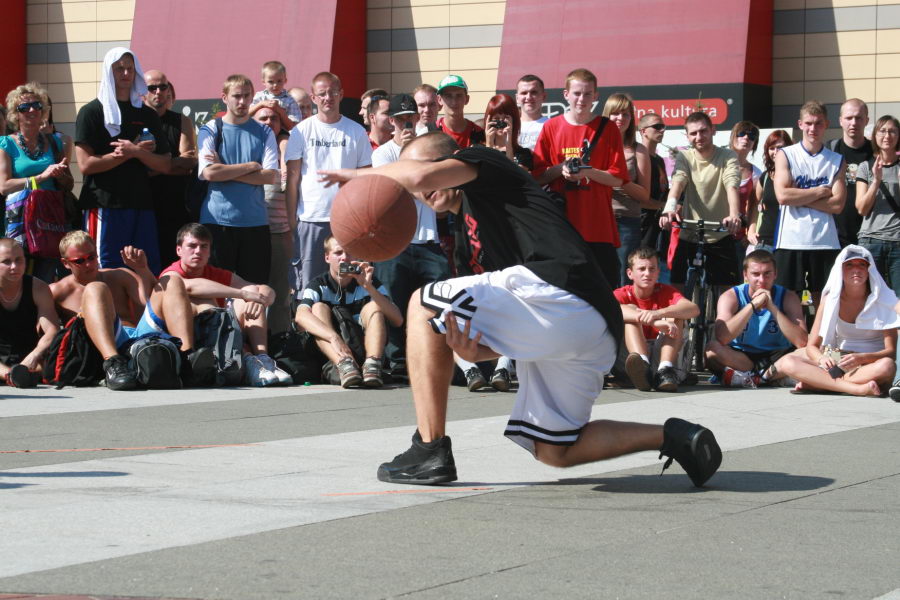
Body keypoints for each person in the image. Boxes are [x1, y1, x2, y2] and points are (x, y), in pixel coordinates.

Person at [320, 132, 722, 488]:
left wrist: (362, 177)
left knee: (423, 302)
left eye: (418, 168)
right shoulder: (466, 238)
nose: (418, 188)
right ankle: (674, 437)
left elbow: (422, 177)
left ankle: (429, 448)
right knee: (555, 448)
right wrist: (481, 351)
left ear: (449, 160)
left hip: (563, 291)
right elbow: (515, 316)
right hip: (589, 330)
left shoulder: (486, 163)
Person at [50, 230, 203, 390]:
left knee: (171, 280)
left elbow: (149, 300)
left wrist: (142, 269)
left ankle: (187, 359)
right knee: (95, 288)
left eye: (91, 257)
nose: (88, 264)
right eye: (80, 261)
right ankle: (113, 363)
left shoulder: (119, 275)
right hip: (106, 346)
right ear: (65, 263)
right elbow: (49, 332)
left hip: (139, 336)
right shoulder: (57, 292)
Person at [75, 47, 172, 274]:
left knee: (146, 271)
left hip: (141, 203)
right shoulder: (91, 112)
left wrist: (137, 152)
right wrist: (126, 153)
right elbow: (85, 165)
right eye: (119, 68)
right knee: (105, 270)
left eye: (130, 68)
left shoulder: (147, 114)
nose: (126, 74)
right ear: (108, 71)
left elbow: (166, 164)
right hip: (104, 205)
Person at [159, 223, 291, 386]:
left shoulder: (215, 273)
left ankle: (263, 359)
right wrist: (243, 294)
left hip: (221, 337)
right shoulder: (170, 274)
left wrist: (261, 300)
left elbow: (261, 288)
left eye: (204, 246)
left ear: (209, 252)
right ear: (179, 250)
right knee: (231, 296)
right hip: (190, 342)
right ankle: (247, 359)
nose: (198, 251)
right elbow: (191, 287)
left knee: (251, 294)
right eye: (192, 246)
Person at [533, 68, 630, 289]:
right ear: (566, 94)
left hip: (598, 225)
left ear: (596, 96)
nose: (582, 99)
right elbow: (538, 177)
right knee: (563, 292)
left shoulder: (608, 128)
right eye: (577, 93)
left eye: (587, 94)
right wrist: (561, 169)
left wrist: (586, 172)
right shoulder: (551, 127)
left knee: (606, 291)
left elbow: (618, 179)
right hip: (562, 226)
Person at [284, 71, 372, 294]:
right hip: (311, 219)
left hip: (348, 220)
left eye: (332, 93)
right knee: (310, 286)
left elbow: (366, 178)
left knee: (349, 283)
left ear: (341, 94)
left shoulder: (357, 131)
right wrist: (292, 219)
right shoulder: (300, 131)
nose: (327, 98)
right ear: (313, 97)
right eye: (322, 94)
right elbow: (293, 177)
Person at [775, 245, 898, 397]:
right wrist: (821, 359)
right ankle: (857, 389)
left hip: (869, 363)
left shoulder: (883, 299)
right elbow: (812, 346)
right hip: (838, 360)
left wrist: (862, 358)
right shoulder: (830, 300)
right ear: (840, 270)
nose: (856, 270)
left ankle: (822, 384)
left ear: (869, 270)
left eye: (862, 265)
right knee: (788, 362)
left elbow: (891, 352)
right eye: (849, 265)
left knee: (887, 366)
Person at [197, 74, 279, 285]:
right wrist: (251, 166)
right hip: (217, 221)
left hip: (255, 222)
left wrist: (224, 169)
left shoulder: (264, 131)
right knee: (217, 291)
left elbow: (270, 176)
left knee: (255, 292)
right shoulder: (211, 129)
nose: (242, 102)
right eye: (236, 96)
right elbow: (209, 174)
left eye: (246, 96)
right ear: (224, 97)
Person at [295, 236, 402, 388]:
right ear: (327, 257)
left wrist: (368, 287)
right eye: (338, 253)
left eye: (350, 253)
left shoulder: (369, 282)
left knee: (374, 306)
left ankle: (372, 364)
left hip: (364, 351)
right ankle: (344, 364)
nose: (345, 258)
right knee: (318, 308)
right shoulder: (318, 284)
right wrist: (333, 337)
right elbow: (300, 316)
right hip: (333, 357)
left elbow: (398, 319)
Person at [773, 101, 846, 305]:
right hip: (790, 240)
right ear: (800, 124)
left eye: (818, 123)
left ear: (826, 125)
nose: (813, 128)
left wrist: (800, 197)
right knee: (787, 299)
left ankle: (819, 329)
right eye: (808, 123)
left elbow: (837, 205)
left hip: (825, 241)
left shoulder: (836, 160)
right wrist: (819, 192)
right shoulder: (786, 154)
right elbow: (783, 196)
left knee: (825, 299)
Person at [659, 111, 742, 289]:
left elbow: (732, 184)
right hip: (690, 232)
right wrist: (669, 208)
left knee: (727, 291)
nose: (699, 137)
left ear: (713, 130)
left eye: (703, 131)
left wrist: (734, 215)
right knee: (677, 285)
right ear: (687, 136)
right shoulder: (684, 157)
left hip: (720, 232)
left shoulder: (728, 156)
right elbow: (678, 182)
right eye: (693, 133)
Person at [1, 82, 73, 282]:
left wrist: (59, 175)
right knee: (19, 275)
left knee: (46, 275)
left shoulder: (56, 142)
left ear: (43, 110)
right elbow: (4, 186)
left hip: (49, 219)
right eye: (25, 107)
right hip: (20, 220)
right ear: (16, 114)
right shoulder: (6, 143)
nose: (32, 110)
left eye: (36, 105)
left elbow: (68, 184)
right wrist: (40, 178)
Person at [705, 249, 807, 387]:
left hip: (777, 356)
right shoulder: (730, 296)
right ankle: (770, 377)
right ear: (745, 275)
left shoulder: (788, 297)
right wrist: (752, 305)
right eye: (756, 274)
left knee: (807, 352)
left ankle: (755, 378)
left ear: (775, 274)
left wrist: (772, 307)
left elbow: (802, 342)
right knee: (711, 350)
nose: (762, 280)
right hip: (742, 357)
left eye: (767, 273)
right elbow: (722, 337)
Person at [613, 246, 699, 392]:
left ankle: (665, 370)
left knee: (676, 315)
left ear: (658, 272)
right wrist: (654, 321)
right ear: (630, 273)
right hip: (632, 360)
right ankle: (642, 367)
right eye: (642, 269)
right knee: (630, 312)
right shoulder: (622, 293)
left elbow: (693, 309)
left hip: (663, 353)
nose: (647, 273)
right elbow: (610, 308)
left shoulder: (666, 291)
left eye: (652, 269)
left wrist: (657, 313)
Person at [143, 70, 198, 268]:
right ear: (142, 91)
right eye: (152, 87)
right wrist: (172, 164)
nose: (158, 91)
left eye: (162, 86)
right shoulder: (135, 121)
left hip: (176, 204)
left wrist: (154, 166)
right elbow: (136, 167)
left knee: (176, 264)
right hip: (145, 203)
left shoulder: (181, 121)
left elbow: (189, 161)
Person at [603, 93, 652, 286]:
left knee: (624, 280)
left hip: (626, 221)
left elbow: (645, 195)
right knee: (599, 277)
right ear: (607, 114)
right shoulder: (596, 146)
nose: (620, 118)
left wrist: (619, 180)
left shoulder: (638, 150)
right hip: (597, 219)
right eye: (615, 113)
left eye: (626, 114)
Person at [252, 105, 293, 334]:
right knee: (251, 291)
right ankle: (251, 342)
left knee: (280, 292)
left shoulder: (289, 147)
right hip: (249, 230)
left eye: (274, 118)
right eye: (263, 118)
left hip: (280, 231)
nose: (269, 122)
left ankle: (279, 338)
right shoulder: (246, 145)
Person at [0, 238, 59, 388]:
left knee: (55, 360)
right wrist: (8, 373)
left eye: (18, 260)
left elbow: (52, 330)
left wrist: (35, 354)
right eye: (6, 262)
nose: (14, 266)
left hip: (30, 358)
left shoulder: (38, 288)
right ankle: (12, 376)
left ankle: (20, 375)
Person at [856, 115, 900, 296]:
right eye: (882, 131)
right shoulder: (866, 167)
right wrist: (876, 181)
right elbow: (861, 208)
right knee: (871, 296)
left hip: (897, 242)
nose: (887, 135)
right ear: (875, 135)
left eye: (892, 131)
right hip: (871, 241)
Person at [829, 98, 873, 247]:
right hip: (835, 236)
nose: (853, 123)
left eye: (858, 118)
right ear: (840, 121)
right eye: (849, 118)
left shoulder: (876, 153)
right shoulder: (830, 151)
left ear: (866, 121)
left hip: (870, 236)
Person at [747, 130, 793, 253]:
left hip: (790, 243)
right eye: (772, 148)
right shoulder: (765, 176)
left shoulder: (797, 174)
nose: (776, 152)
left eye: (780, 147)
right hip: (765, 243)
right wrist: (751, 230)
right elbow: (754, 204)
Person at [636, 113, 669, 276]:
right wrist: (665, 207)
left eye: (663, 127)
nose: (662, 130)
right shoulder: (637, 157)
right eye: (657, 127)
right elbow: (638, 198)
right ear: (643, 131)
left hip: (657, 227)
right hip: (640, 225)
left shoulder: (659, 160)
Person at [728, 120, 762, 251]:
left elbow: (754, 206)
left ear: (754, 144)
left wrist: (750, 232)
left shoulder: (756, 173)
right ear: (733, 136)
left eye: (752, 136)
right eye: (742, 133)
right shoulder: (718, 164)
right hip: (714, 232)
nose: (746, 138)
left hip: (738, 236)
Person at [483, 93, 533, 170]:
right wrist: (489, 145)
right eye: (496, 119)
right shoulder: (477, 150)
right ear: (488, 121)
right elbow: (485, 172)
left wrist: (508, 145)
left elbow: (512, 175)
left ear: (514, 121)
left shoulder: (523, 154)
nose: (501, 122)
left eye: (506, 118)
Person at [435, 75, 484, 148]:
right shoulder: (430, 131)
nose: (454, 102)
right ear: (439, 99)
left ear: (467, 99)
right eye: (448, 96)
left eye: (459, 95)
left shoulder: (479, 133)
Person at [250, 61, 301, 127]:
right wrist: (261, 104)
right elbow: (247, 114)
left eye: (279, 81)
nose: (275, 85)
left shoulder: (290, 101)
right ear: (263, 82)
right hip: (260, 129)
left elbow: (292, 126)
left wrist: (279, 110)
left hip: (281, 131)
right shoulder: (260, 96)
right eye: (271, 82)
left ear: (285, 80)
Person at [515, 74, 548, 150]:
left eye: (534, 92)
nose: (528, 97)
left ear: (543, 97)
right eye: (524, 93)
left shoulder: (552, 126)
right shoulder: (510, 127)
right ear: (517, 98)